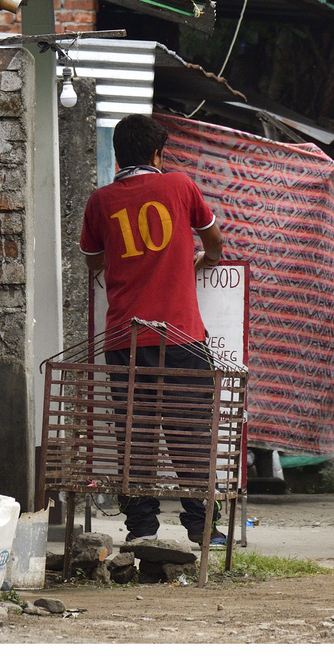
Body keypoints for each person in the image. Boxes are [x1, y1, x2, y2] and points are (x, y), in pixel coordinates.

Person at [79, 114, 226, 546]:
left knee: (134, 436)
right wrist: (200, 260)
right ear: (157, 154)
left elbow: (93, 261)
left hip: (124, 340)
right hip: (181, 336)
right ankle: (203, 529)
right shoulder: (180, 186)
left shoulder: (99, 201)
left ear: (117, 155)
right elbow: (214, 242)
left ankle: (141, 531)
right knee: (192, 432)